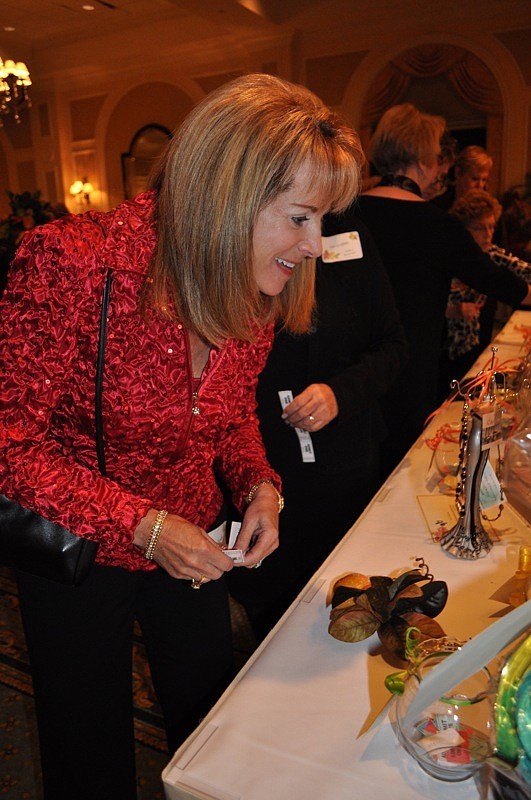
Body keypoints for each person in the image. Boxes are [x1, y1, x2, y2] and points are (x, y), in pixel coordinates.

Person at [0, 73, 364, 800]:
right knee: (87, 755)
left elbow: (227, 416)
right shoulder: (73, 262)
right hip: (80, 552)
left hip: (196, 542)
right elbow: (10, 446)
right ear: (230, 195)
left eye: (321, 221)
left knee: (210, 728)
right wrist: (143, 526)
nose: (314, 245)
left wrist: (259, 486)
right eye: (301, 218)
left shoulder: (255, 284)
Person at [227, 214, 408, 640]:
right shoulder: (245, 230)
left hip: (347, 466)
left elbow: (394, 347)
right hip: (262, 464)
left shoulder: (350, 232)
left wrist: (340, 393)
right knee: (271, 614)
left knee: (350, 608)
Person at [353, 103, 531, 477]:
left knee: (361, 463)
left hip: (354, 364)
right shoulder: (437, 224)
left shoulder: (350, 212)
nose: (441, 167)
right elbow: (498, 281)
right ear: (422, 161)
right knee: (402, 467)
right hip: (410, 365)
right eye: (437, 157)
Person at [439, 189, 531, 388]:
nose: (489, 234)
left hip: (479, 347)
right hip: (442, 348)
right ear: (463, 230)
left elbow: (525, 271)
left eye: (491, 226)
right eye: (481, 228)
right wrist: (453, 311)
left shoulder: (493, 255)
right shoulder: (447, 257)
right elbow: (425, 303)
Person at [433, 143, 492, 210]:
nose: (480, 185)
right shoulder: (437, 204)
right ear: (458, 173)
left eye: (484, 180)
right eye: (475, 179)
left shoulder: (487, 208)